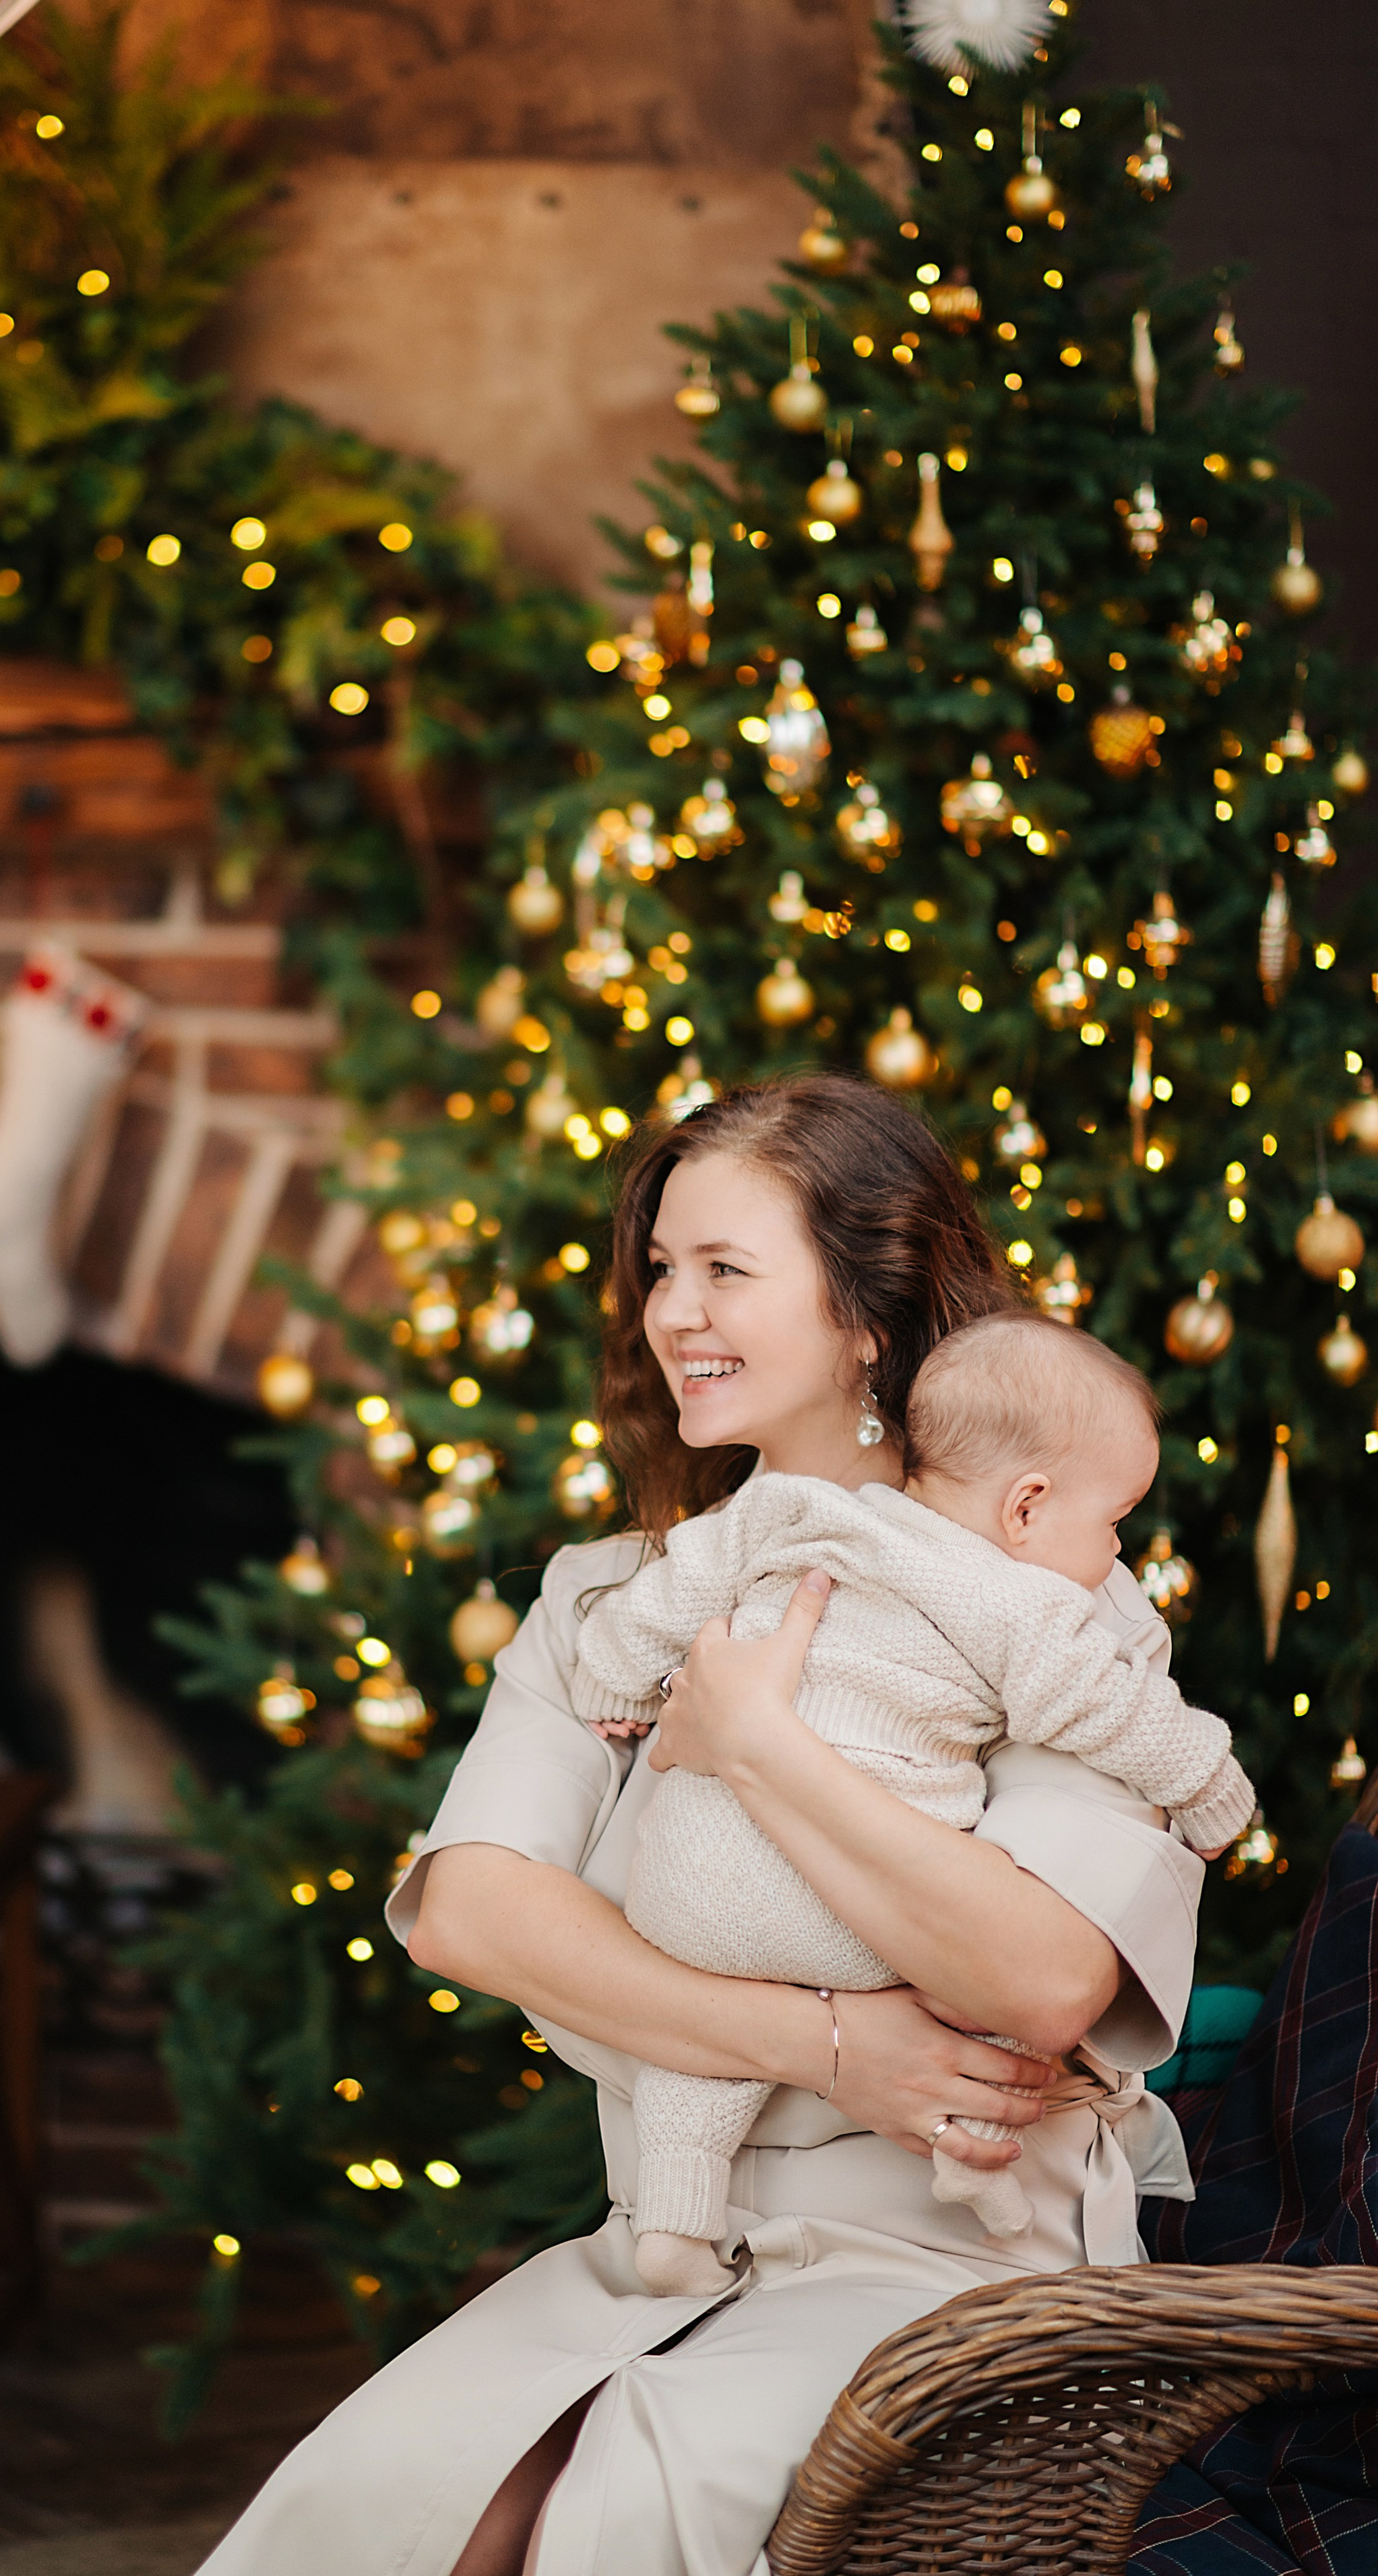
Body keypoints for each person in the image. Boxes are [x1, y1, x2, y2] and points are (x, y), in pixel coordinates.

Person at [195, 1076, 1204, 2576]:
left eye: (725, 1268)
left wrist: (757, 1742)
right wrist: (832, 2041)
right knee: (383, 2518)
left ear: (867, 1313)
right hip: (657, 2233)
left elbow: (1045, 1977)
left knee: (611, 2523)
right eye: (660, 1266)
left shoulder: (1047, 1596)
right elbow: (472, 1907)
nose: (673, 1308)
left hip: (946, 2262)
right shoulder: (612, 1595)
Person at [569, 1314, 1249, 2292]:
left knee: (712, 2024)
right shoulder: (1024, 1603)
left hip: (681, 1879)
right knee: (983, 1962)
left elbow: (672, 1593)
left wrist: (610, 1679)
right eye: (1114, 1521)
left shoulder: (797, 1511)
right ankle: (971, 2147)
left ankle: (674, 2221)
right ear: (1027, 1506)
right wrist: (1210, 1785)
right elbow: (1111, 1711)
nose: (1114, 1549)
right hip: (842, 1921)